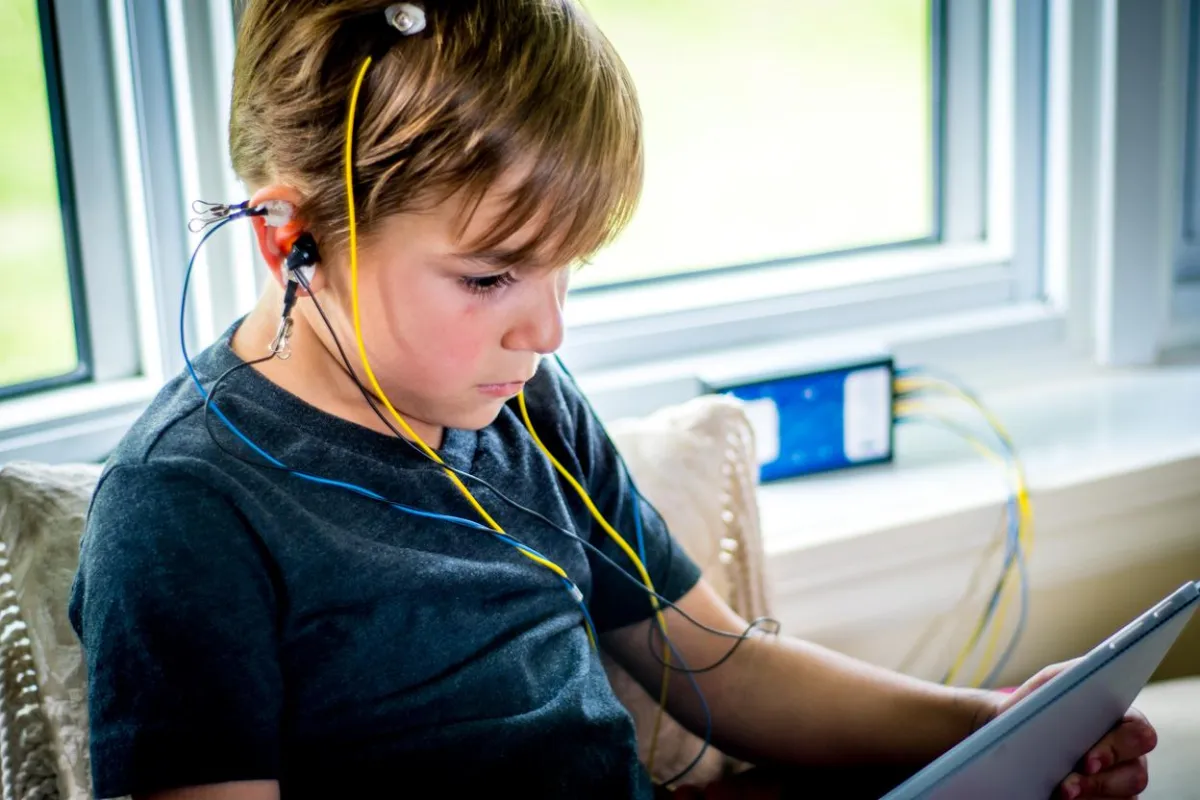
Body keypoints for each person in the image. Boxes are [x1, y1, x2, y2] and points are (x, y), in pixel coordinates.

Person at [68, 1, 1156, 798]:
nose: (545, 332)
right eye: (490, 276)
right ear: (286, 237)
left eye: (568, 267)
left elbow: (715, 666)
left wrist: (997, 726)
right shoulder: (185, 509)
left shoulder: (520, 400)